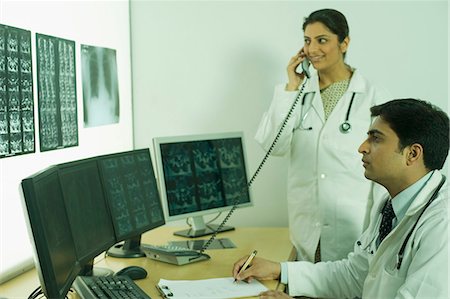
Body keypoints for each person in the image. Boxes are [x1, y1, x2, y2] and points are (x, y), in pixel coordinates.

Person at [234, 98, 449, 298]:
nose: (362, 147)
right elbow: (355, 275)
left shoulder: (442, 224)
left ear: (412, 154)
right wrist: (281, 270)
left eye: (375, 138)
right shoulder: (390, 205)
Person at [255, 8, 390, 262]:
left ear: (344, 43)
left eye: (322, 40)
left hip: (354, 228)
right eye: (307, 40)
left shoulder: (373, 97)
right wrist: (290, 88)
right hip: (306, 228)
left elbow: (384, 168)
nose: (312, 48)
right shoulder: (295, 93)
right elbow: (274, 146)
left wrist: (380, 230)